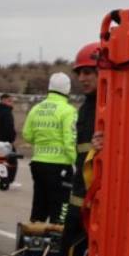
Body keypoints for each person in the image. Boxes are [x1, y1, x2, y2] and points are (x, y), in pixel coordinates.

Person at [30, 44, 100, 256]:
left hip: (98, 200)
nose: (84, 77)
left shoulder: (109, 107)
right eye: (80, 72)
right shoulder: (84, 108)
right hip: (78, 195)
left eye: (90, 71)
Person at [22, 73, 77, 223]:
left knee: (39, 206)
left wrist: (42, 142)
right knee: (60, 211)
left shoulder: (36, 109)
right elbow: (70, 140)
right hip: (60, 166)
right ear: (67, 89)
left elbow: (27, 135)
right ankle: (56, 242)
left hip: (38, 164)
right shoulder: (68, 111)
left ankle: (33, 240)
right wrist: (76, 162)